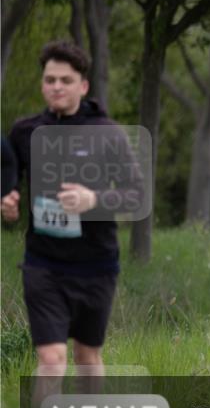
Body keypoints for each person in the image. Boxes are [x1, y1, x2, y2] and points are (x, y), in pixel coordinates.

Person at [2, 40, 144, 384]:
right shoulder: (25, 131)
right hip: (43, 264)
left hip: (95, 264)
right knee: (51, 360)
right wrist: (7, 202)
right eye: (50, 80)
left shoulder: (108, 135)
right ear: (42, 84)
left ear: (83, 85)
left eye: (65, 80)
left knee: (86, 356)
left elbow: (136, 195)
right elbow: (8, 179)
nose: (56, 87)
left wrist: (93, 200)